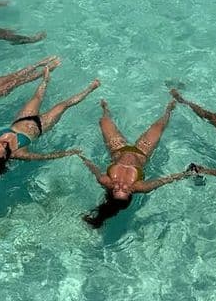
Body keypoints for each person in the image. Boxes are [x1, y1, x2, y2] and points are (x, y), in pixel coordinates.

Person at [0, 69, 100, 176]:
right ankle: (90, 89)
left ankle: (46, 78)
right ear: (4, 157)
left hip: (22, 119)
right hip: (41, 125)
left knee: (37, 96)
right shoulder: (19, 153)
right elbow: (43, 157)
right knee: (63, 105)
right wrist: (69, 153)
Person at [76, 98, 194, 228]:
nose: (121, 186)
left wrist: (81, 156)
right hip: (142, 151)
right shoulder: (141, 187)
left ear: (111, 192)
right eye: (125, 191)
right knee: (159, 127)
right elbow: (164, 180)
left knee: (103, 121)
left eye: (116, 190)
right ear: (130, 193)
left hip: (117, 148)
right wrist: (185, 174)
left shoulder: (105, 180)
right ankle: (169, 109)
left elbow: (94, 169)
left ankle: (105, 109)